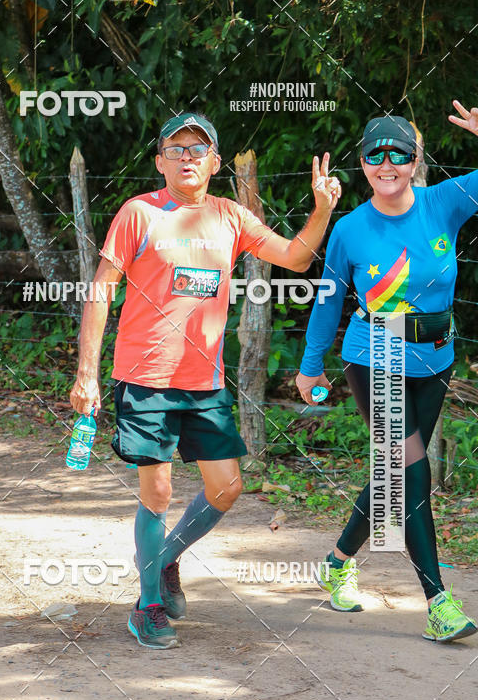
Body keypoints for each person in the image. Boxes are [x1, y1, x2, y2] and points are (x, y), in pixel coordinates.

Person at [71, 111, 341, 648]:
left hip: (203, 382)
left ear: (216, 163)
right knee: (158, 491)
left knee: (226, 486)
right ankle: (147, 606)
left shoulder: (230, 216)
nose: (188, 157)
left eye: (199, 149)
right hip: (144, 377)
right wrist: (86, 374)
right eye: (177, 149)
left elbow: (295, 256)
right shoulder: (138, 213)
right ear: (160, 162)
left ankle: (164, 559)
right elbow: (101, 289)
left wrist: (322, 210)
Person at [296, 102, 478, 643]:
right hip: (375, 355)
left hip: (435, 357)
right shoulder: (350, 229)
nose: (387, 162)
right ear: (362, 163)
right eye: (376, 153)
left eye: (399, 152)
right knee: (412, 471)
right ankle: (438, 601)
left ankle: (336, 560)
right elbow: (328, 303)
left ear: (417, 159)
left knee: (392, 476)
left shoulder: (444, 202)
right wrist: (310, 368)